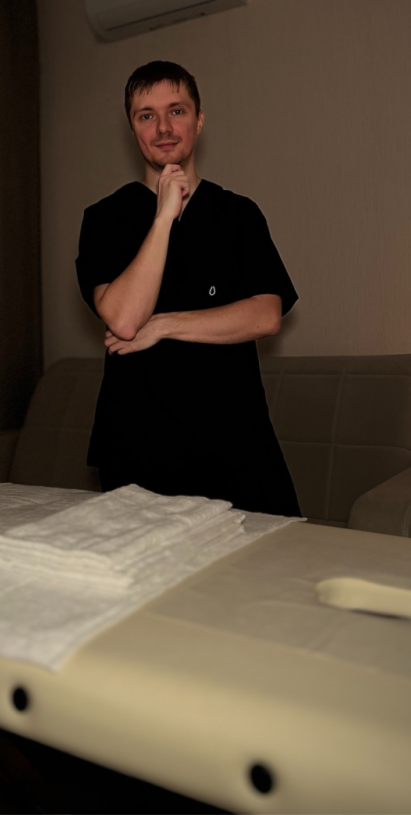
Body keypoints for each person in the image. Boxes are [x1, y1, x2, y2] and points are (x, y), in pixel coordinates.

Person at [75, 61, 300, 516]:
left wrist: (163, 325)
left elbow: (266, 315)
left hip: (238, 446)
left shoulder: (239, 215)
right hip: (138, 450)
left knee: (277, 559)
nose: (163, 127)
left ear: (198, 120)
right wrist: (163, 217)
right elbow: (123, 319)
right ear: (132, 128)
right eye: (146, 115)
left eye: (176, 111)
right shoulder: (104, 219)